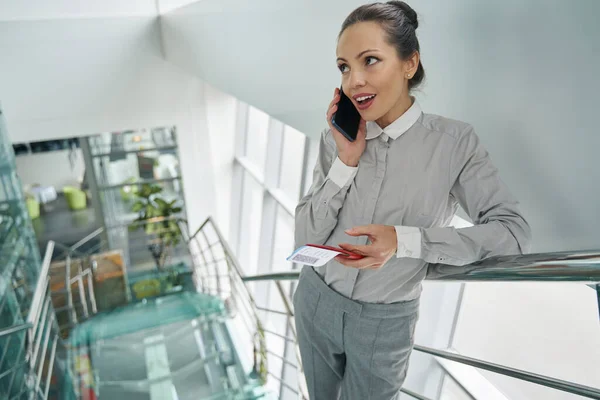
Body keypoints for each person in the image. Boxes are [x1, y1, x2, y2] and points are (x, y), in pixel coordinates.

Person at [292, 2, 532, 399]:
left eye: (370, 60)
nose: (354, 80)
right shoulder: (334, 138)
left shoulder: (454, 144)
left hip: (384, 323)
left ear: (409, 63)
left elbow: (513, 233)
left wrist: (405, 242)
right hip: (315, 298)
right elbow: (304, 236)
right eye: (344, 67)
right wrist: (346, 161)